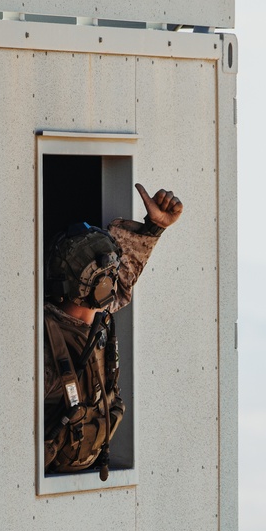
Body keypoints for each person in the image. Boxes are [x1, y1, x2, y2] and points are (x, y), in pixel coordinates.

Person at [43, 183, 183, 479]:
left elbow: (126, 273)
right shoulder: (43, 346)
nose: (114, 279)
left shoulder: (96, 314)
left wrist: (153, 228)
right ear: (96, 286)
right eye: (107, 274)